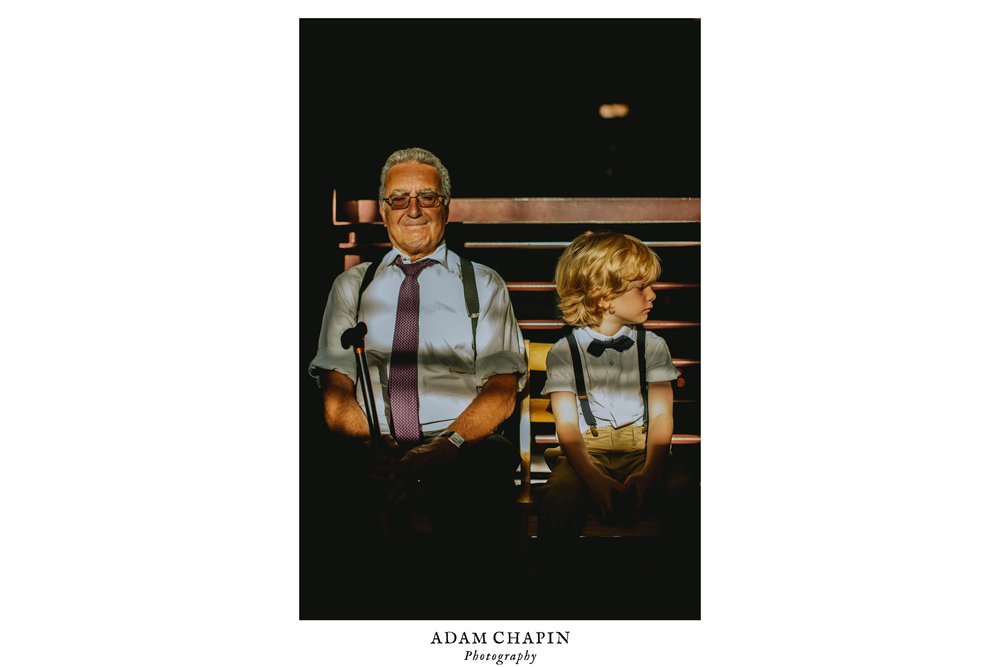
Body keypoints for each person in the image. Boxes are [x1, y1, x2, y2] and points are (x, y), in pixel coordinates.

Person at [308, 147, 527, 574]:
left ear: (445, 207)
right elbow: (336, 385)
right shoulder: (353, 286)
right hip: (373, 442)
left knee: (485, 476)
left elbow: (501, 390)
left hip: (459, 445)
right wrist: (369, 442)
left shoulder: (482, 284)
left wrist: (447, 446)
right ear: (384, 211)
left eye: (426, 197)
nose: (413, 210)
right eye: (398, 199)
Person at [536, 231, 681, 547]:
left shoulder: (653, 347)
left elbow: (660, 415)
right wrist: (592, 479)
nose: (653, 295)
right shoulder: (564, 352)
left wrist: (650, 473)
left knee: (681, 491)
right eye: (642, 287)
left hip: (644, 449)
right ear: (603, 297)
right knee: (559, 496)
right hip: (587, 452)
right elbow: (568, 424)